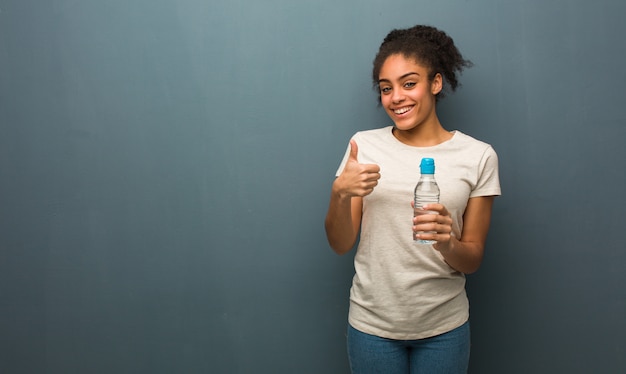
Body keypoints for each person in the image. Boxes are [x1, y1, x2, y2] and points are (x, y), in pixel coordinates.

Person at [324, 25, 501, 373]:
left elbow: (473, 258)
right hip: (372, 325)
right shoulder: (364, 146)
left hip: (444, 328)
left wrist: (448, 242)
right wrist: (339, 193)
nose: (396, 98)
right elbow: (340, 243)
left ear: (435, 83)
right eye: (386, 88)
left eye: (409, 83)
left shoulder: (478, 156)